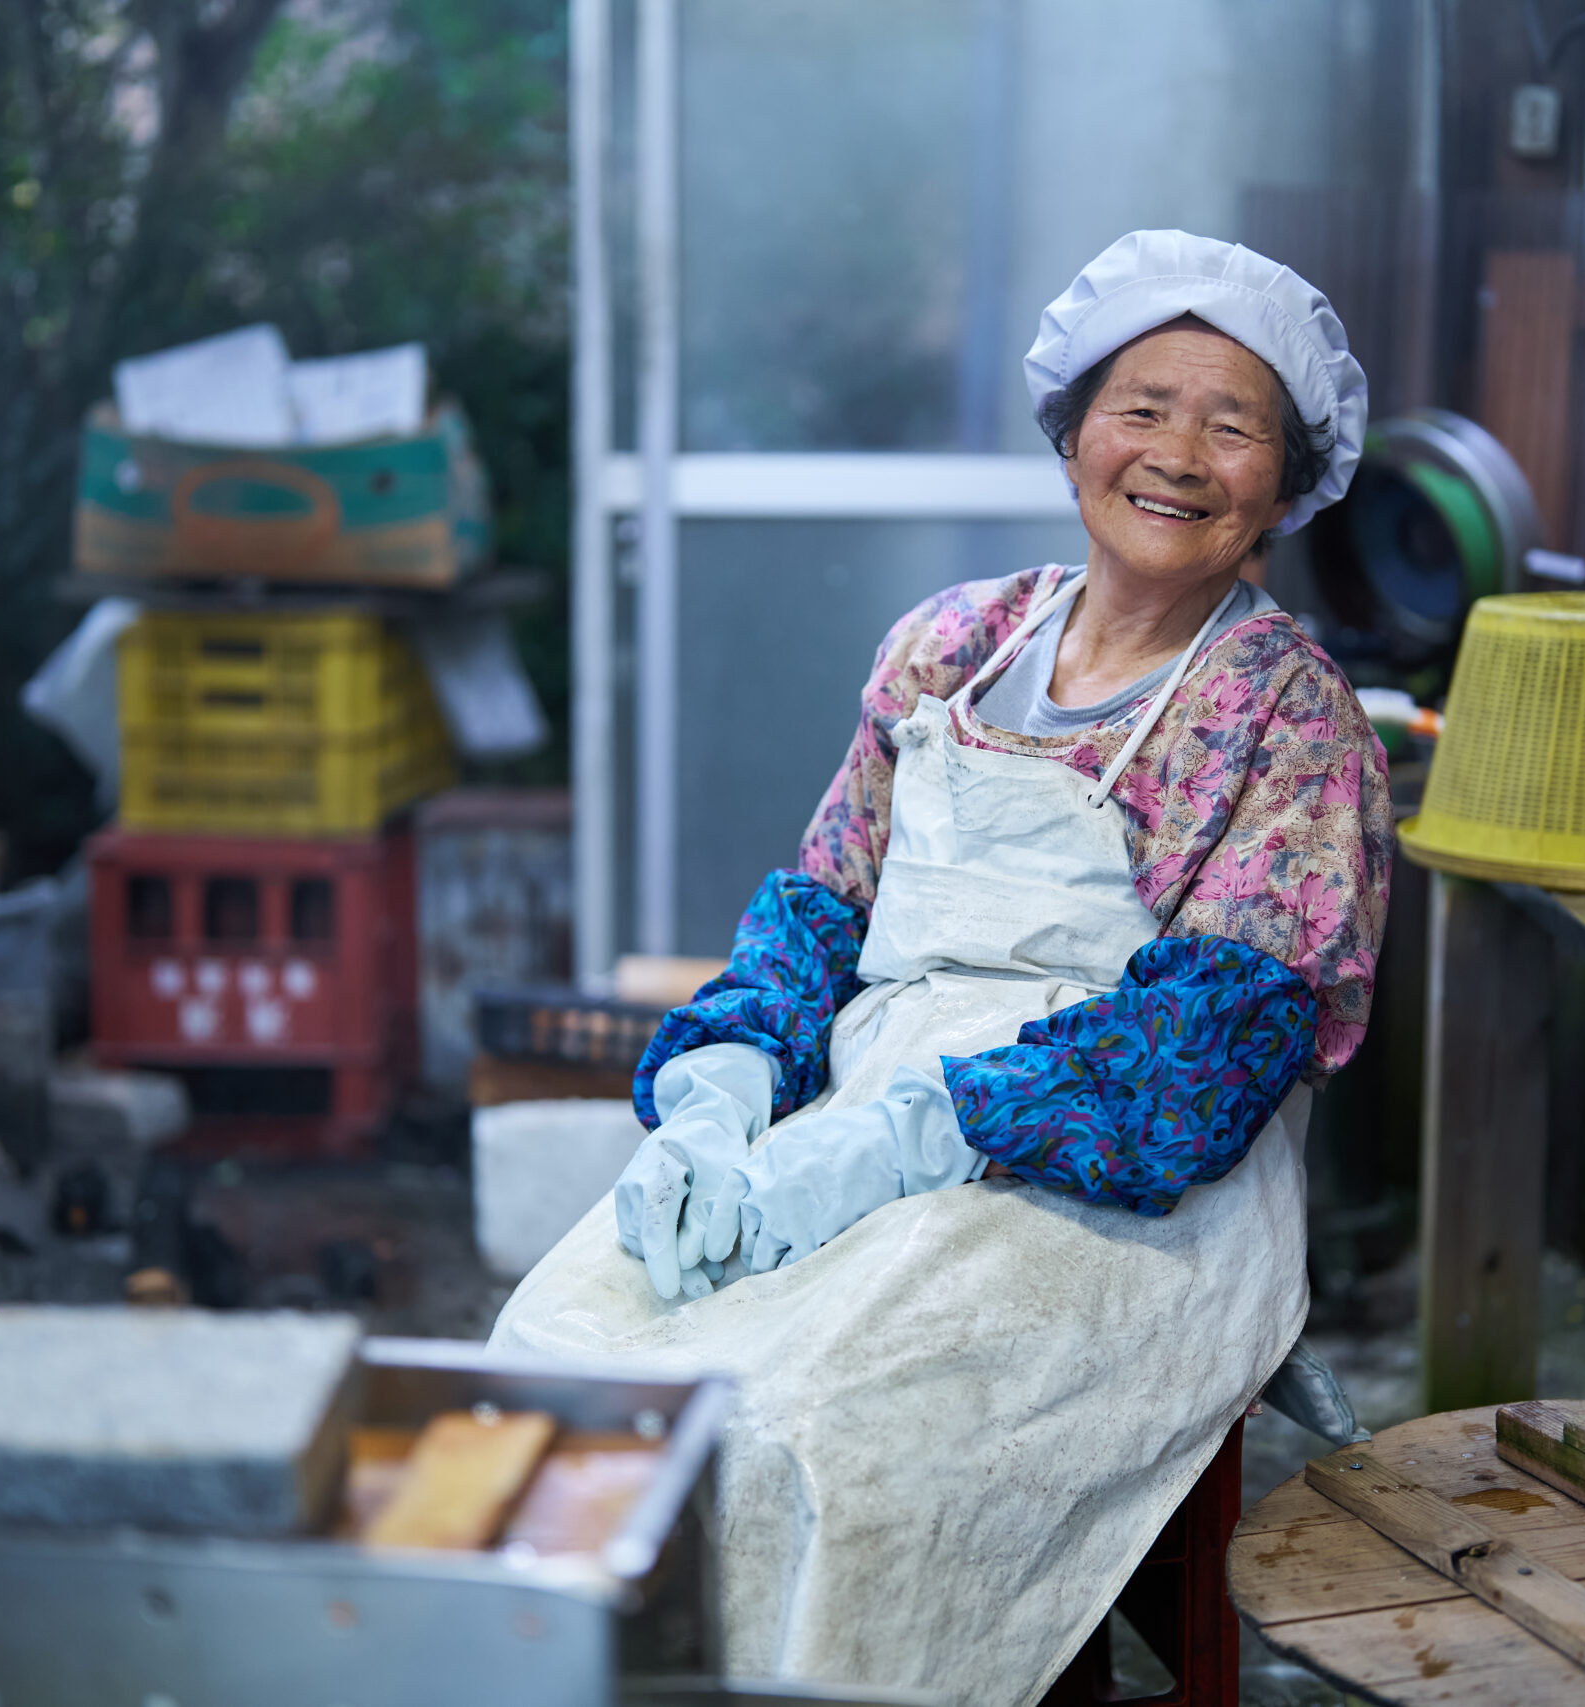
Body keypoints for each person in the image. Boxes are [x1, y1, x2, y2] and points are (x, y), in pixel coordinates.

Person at [491, 230, 1390, 1705]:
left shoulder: (1288, 721)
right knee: (564, 1357)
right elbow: (819, 911)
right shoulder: (951, 647)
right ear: (1074, 434)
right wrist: (720, 1104)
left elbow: (1207, 1060)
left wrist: (902, 1142)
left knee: (821, 1435)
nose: (1179, 455)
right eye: (1144, 408)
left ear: (1284, 487)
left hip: (1107, 1188)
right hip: (846, 1114)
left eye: (1234, 427)